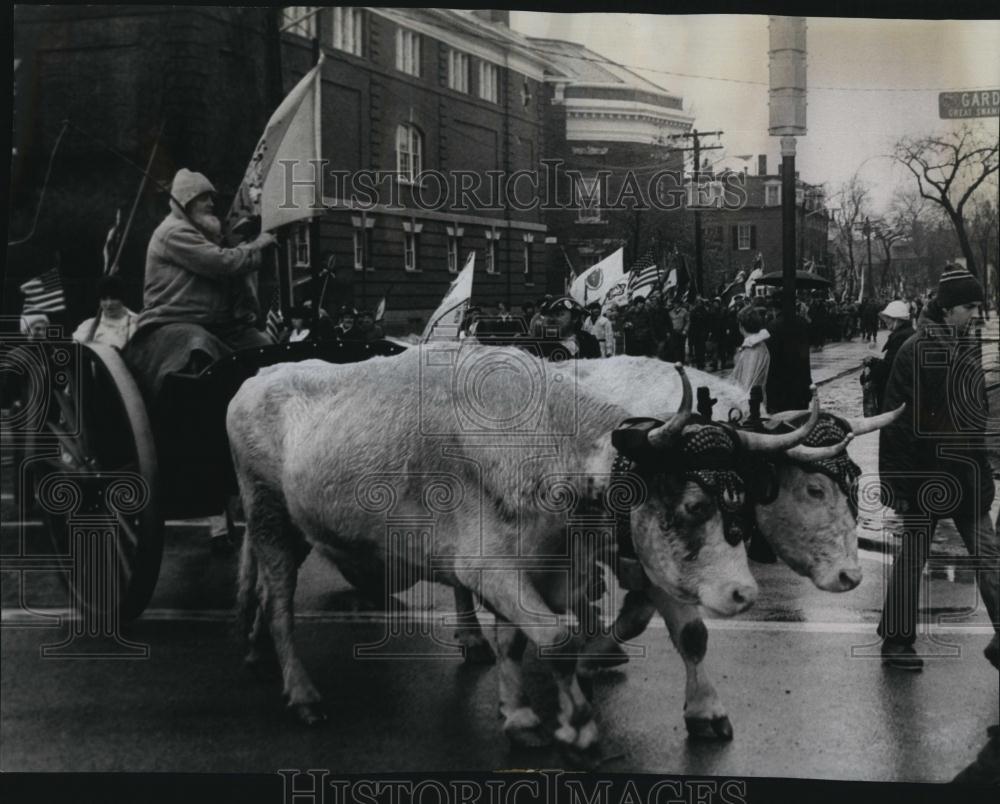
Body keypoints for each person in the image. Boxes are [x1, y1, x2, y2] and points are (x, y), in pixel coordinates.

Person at [877, 267, 999, 672]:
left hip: (965, 474)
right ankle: (895, 643)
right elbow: (896, 422)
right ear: (947, 309)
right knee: (913, 558)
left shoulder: (965, 345)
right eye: (970, 307)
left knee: (990, 557)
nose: (976, 315)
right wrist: (898, 484)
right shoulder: (914, 350)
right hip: (925, 476)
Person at [135, 168, 276, 350]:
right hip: (174, 319)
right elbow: (222, 263)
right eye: (204, 198)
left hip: (217, 323)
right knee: (200, 345)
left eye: (211, 198)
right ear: (186, 201)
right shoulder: (174, 231)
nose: (211, 204)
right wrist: (258, 244)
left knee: (265, 349)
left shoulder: (203, 233)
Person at [861, 300, 915, 414]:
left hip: (896, 395)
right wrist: (875, 361)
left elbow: (889, 367)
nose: (885, 321)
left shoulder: (900, 337)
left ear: (897, 319)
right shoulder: (905, 333)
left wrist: (871, 371)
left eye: (888, 318)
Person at [72, 275, 139, 348]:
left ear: (122, 299)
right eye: (104, 299)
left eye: (113, 298)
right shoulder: (88, 326)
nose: (109, 304)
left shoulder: (136, 323)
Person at [731, 305, 771, 408]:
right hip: (758, 399)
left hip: (750, 405)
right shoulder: (759, 344)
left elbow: (747, 381)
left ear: (741, 326)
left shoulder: (751, 348)